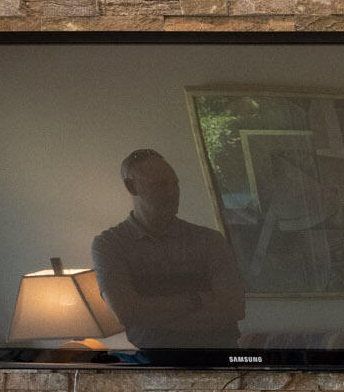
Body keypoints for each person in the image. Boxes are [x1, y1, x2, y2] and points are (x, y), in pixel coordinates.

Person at [90, 149, 247, 351]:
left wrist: (154, 315)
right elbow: (127, 312)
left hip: (221, 360)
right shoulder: (110, 245)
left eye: (175, 184)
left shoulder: (209, 240)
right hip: (157, 366)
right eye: (160, 185)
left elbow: (234, 308)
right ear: (131, 186)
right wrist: (197, 299)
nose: (172, 193)